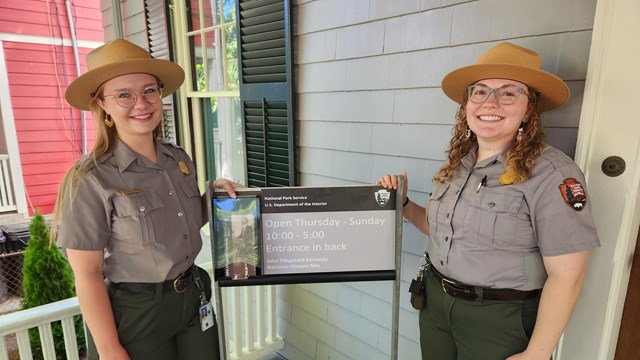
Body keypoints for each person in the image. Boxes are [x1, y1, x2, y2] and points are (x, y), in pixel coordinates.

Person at [377, 42, 600, 360]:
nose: (490, 102)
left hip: (500, 320)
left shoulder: (553, 174)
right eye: (479, 92)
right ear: (467, 103)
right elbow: (443, 231)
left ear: (530, 108)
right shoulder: (458, 163)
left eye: (509, 93)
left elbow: (568, 275)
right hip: (437, 307)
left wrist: (537, 353)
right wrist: (404, 204)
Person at [51, 38, 243, 360]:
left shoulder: (177, 159)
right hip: (138, 311)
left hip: (193, 294)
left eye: (149, 90)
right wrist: (110, 349)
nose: (141, 103)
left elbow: (185, 221)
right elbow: (87, 274)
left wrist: (214, 197)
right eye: (124, 94)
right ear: (103, 104)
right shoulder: (90, 179)